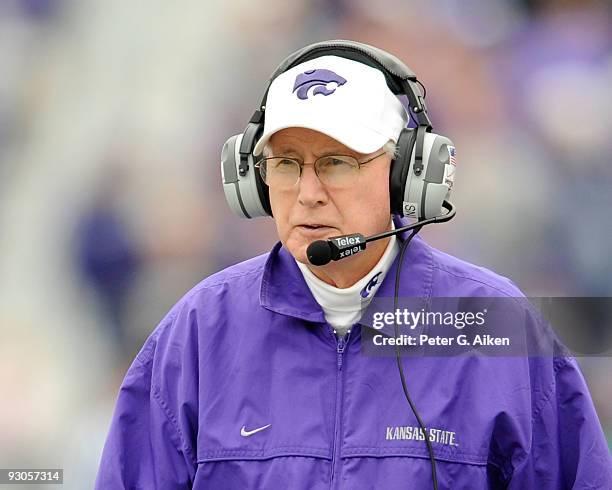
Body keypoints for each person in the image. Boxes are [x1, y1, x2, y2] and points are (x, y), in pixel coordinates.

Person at [95, 41, 612, 489]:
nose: (308, 194)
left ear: (406, 175)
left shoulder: (497, 324)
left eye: (337, 163)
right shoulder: (197, 334)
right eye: (287, 164)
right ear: (254, 181)